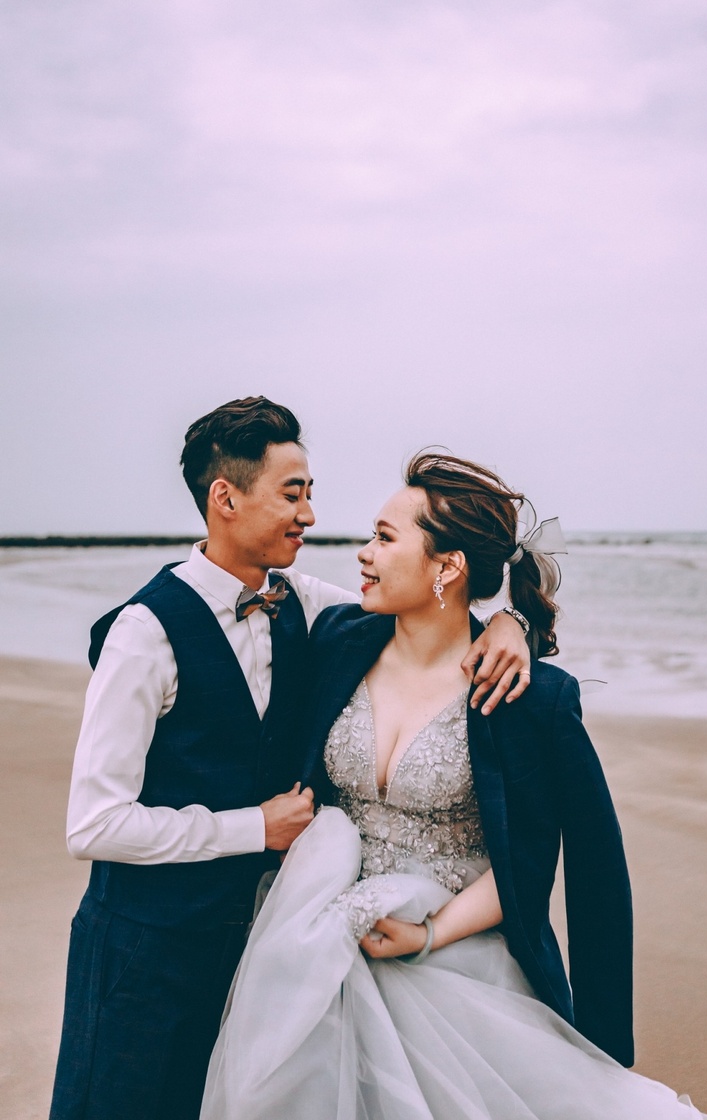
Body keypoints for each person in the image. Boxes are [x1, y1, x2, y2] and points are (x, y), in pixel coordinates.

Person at [199, 451, 707, 1120]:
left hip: (454, 963)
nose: (363, 553)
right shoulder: (335, 638)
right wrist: (514, 619)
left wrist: (429, 935)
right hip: (317, 950)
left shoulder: (528, 698)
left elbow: (557, 861)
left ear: (447, 566)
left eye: (384, 538)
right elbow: (229, 609)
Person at [49, 403, 531, 1120]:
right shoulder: (143, 634)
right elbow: (92, 824)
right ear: (226, 497)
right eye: (293, 493)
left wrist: (511, 623)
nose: (310, 514)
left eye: (310, 492)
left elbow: (428, 607)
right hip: (144, 958)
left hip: (256, 957)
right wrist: (255, 828)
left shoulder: (304, 606)